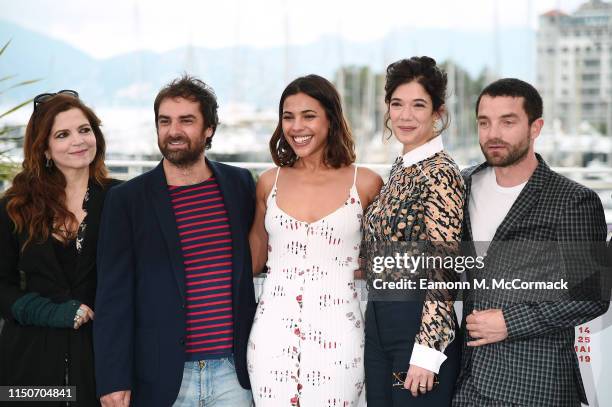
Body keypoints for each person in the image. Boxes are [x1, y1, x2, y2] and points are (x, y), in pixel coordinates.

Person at [94, 76, 256, 407]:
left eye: (186, 120)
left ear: (209, 128)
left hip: (233, 375)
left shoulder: (240, 184)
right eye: (165, 121)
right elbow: (113, 296)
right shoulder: (127, 200)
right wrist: (113, 379)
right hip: (162, 378)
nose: (173, 130)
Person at [452, 78, 610, 406]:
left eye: (507, 122)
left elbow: (591, 297)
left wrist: (510, 322)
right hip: (464, 382)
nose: (493, 133)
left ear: (535, 127)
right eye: (484, 122)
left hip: (534, 386)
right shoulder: (462, 184)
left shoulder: (573, 201)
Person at [247, 74, 382, 406]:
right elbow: (252, 261)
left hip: (341, 335)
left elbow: (387, 260)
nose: (296, 126)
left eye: (308, 115)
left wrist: (374, 265)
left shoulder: (365, 184)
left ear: (331, 120)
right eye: (288, 116)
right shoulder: (268, 182)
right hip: (271, 336)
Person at [0, 91, 118, 406]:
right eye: (62, 135)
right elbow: (1, 287)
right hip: (28, 368)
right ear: (45, 149)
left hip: (99, 368)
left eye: (84, 130)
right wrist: (52, 312)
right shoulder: (15, 207)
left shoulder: (121, 200)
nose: (78, 141)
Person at [362, 56, 464, 406]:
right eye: (397, 104)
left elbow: (445, 265)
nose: (405, 116)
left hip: (416, 326)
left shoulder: (440, 171)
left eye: (418, 105)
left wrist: (427, 352)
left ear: (437, 112)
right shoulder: (402, 167)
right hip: (379, 320)